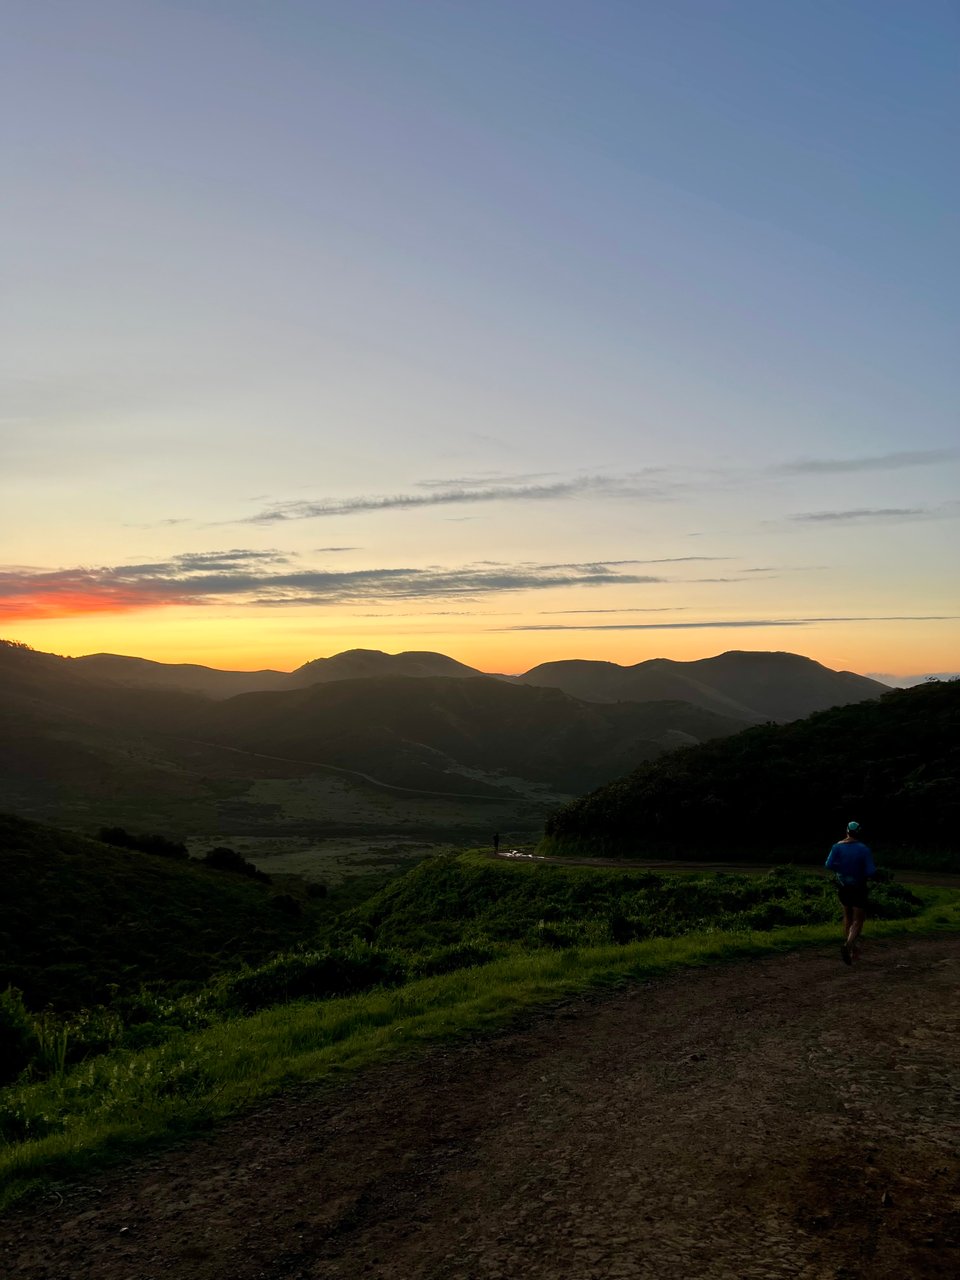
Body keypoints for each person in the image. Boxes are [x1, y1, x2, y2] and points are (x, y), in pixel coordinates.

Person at [825, 821, 876, 965]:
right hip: (859, 887)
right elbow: (871, 871)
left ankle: (853, 949)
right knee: (858, 919)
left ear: (846, 831)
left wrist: (841, 868)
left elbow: (828, 864)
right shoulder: (864, 849)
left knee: (847, 916)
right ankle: (849, 945)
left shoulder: (836, 847)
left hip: (843, 887)